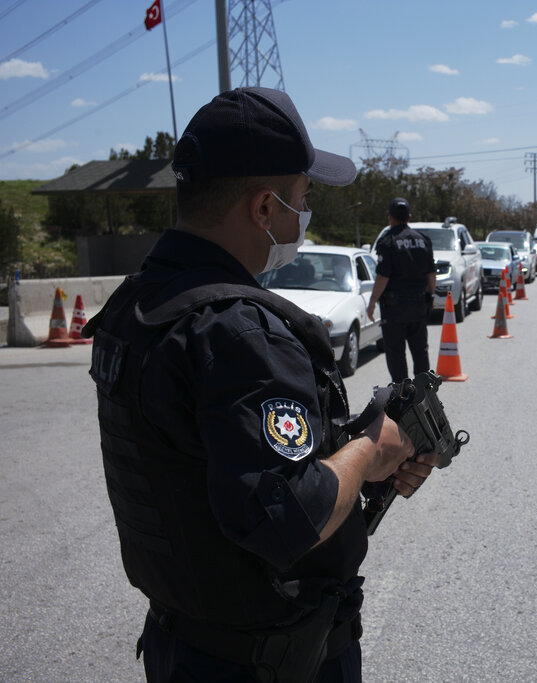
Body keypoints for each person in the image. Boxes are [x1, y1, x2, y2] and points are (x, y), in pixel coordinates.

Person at [83, 87, 439, 683]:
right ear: (263, 209)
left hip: (184, 644)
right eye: (301, 200)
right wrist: (369, 451)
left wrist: (345, 459)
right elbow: (288, 515)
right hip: (268, 662)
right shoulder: (239, 332)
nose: (304, 216)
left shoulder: (138, 304)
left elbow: (215, 461)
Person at [367, 198, 436, 382]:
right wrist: (432, 295)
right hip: (419, 305)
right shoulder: (423, 240)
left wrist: (372, 301)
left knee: (396, 353)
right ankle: (424, 395)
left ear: (390, 218)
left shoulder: (387, 242)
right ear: (409, 217)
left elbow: (383, 277)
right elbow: (431, 273)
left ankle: (403, 394)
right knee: (420, 351)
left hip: (394, 309)